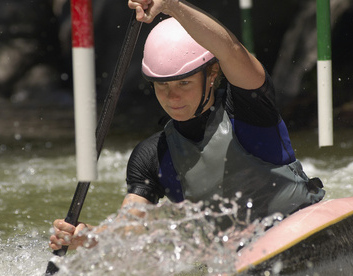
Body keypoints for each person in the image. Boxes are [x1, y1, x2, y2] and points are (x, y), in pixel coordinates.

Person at [49, 0, 325, 251]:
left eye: (184, 83)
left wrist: (172, 5)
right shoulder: (151, 156)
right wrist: (89, 239)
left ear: (212, 74)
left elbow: (230, 50)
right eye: (162, 86)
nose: (172, 97)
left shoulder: (249, 109)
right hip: (238, 257)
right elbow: (131, 229)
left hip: (303, 227)